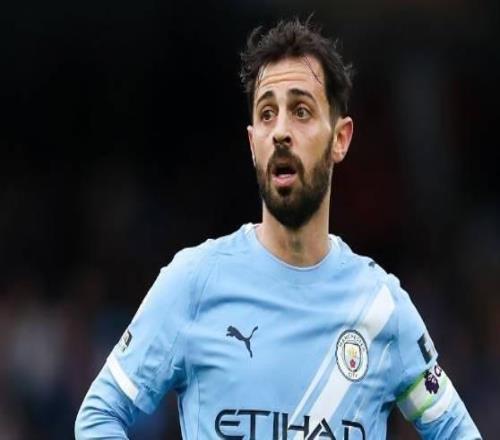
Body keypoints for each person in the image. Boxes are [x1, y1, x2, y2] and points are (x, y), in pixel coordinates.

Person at [75, 18, 482, 439]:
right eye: (267, 114)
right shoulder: (194, 283)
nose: (281, 132)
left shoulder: (382, 309)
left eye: (301, 111)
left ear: (340, 138)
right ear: (253, 143)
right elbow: (99, 415)